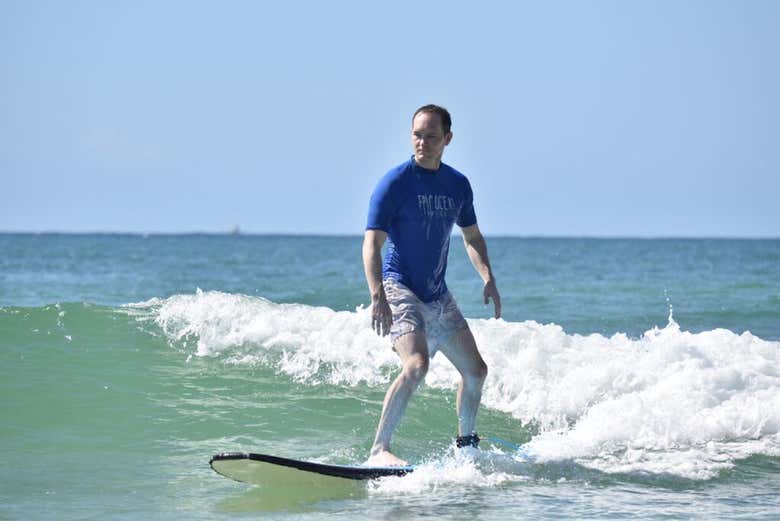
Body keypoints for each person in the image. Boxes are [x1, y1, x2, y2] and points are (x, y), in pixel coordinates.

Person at [363, 104, 501, 466]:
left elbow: (471, 237)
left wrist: (488, 277)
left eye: (431, 136)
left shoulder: (457, 185)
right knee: (417, 365)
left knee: (477, 372)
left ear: (448, 139)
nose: (422, 142)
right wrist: (377, 294)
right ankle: (379, 450)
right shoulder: (395, 183)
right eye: (417, 134)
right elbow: (371, 243)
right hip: (399, 287)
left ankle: (466, 445)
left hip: (437, 294)